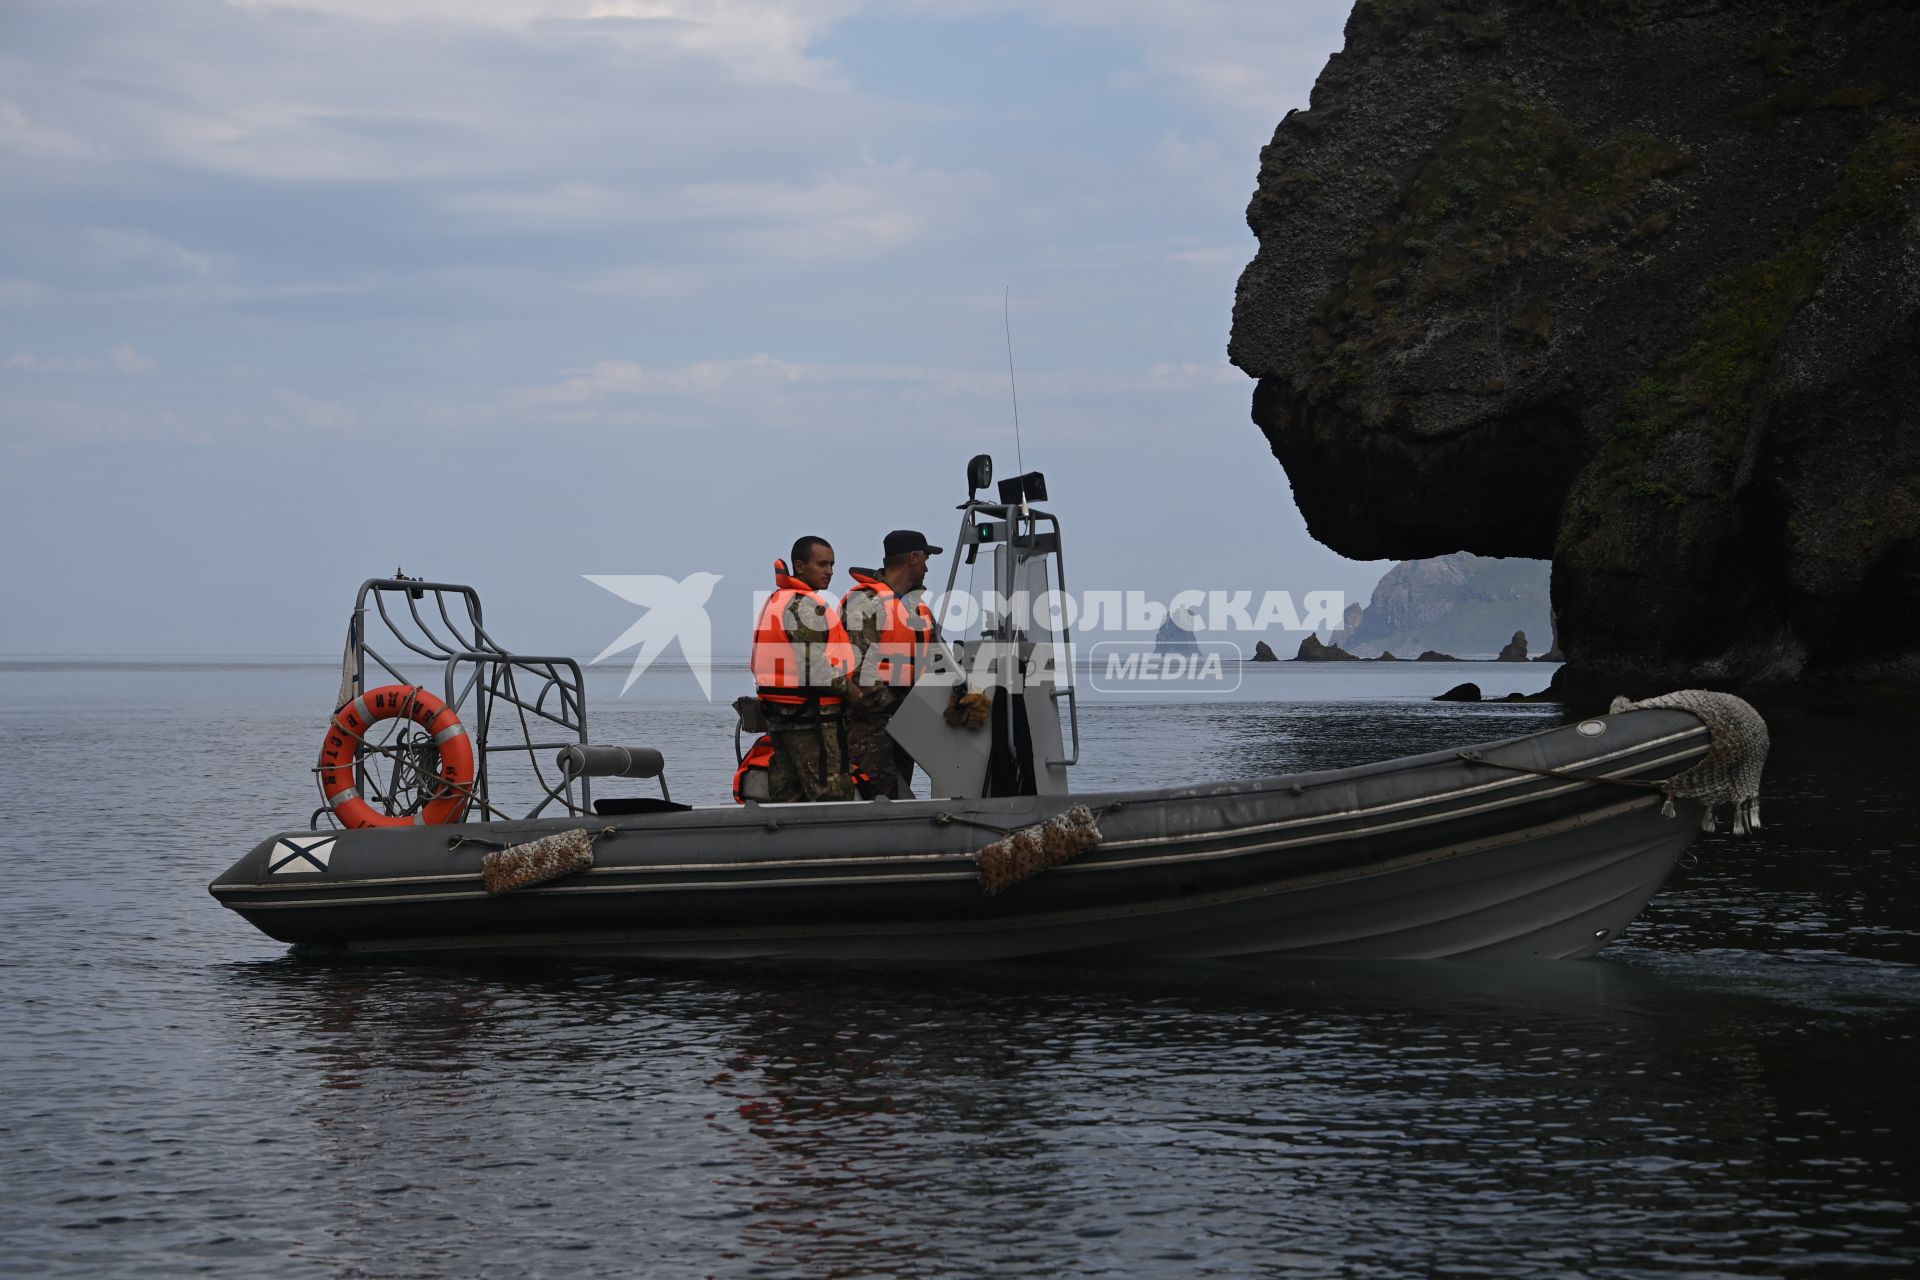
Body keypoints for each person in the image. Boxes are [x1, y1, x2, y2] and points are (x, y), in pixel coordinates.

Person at [750, 536, 858, 802]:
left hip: (782, 717)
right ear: (799, 566)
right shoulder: (805, 606)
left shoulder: (780, 599)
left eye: (832, 565)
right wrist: (853, 691)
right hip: (813, 719)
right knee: (830, 796)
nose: (830, 572)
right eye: (822, 564)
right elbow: (815, 669)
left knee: (787, 796)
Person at [841, 529, 942, 799]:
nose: (927, 567)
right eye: (925, 559)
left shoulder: (920, 610)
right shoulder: (865, 604)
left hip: (906, 721)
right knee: (877, 796)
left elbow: (937, 661)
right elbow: (860, 672)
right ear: (913, 558)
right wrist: (897, 706)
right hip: (870, 726)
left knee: (899, 792)